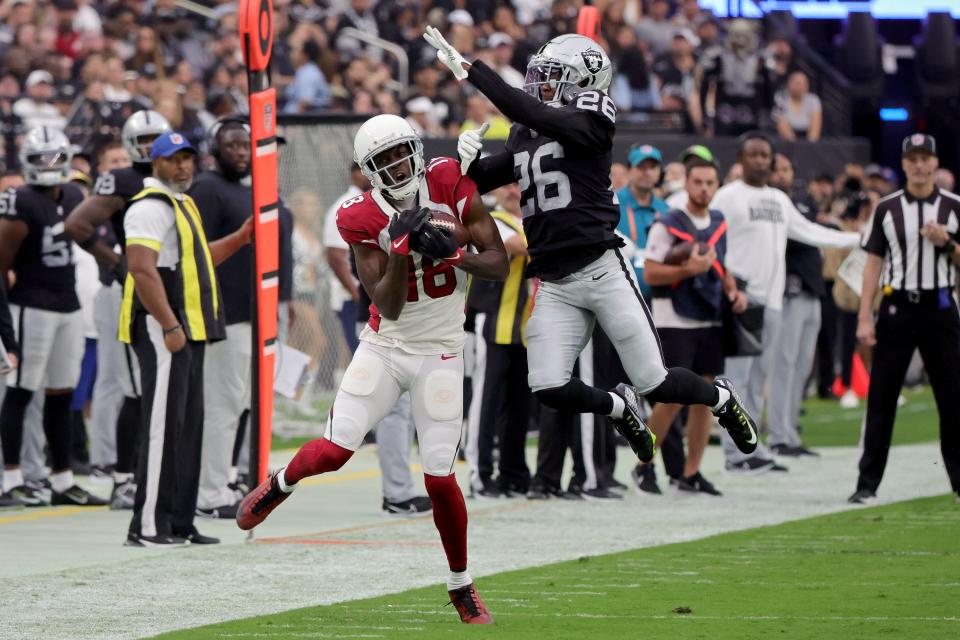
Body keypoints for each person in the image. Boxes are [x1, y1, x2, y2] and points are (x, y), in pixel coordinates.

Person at [439, 31, 761, 468]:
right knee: (549, 386)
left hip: (601, 268)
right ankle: (617, 407)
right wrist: (466, 163)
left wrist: (475, 72)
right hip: (553, 279)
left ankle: (721, 398)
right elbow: (483, 181)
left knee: (655, 381)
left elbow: (527, 107)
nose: (540, 83)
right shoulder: (526, 130)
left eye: (550, 76)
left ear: (581, 81)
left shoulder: (594, 112)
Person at [236, 114, 509, 624]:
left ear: (417, 149)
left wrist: (452, 255)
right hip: (386, 345)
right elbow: (386, 301)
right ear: (367, 170)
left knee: (440, 479)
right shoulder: (358, 214)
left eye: (403, 152)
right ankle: (280, 484)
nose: (398, 165)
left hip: (443, 350)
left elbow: (498, 261)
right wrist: (403, 250)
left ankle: (460, 584)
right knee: (337, 449)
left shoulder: (449, 180)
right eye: (384, 161)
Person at [120, 131, 252, 546]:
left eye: (188, 158)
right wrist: (169, 325)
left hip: (189, 327)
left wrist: (241, 238)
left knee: (188, 427)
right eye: (174, 159)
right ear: (154, 163)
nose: (184, 166)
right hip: (165, 328)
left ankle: (178, 521)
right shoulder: (149, 208)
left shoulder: (182, 202)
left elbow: (198, 259)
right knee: (162, 428)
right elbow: (143, 269)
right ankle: (145, 526)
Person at [710, 132, 860, 473]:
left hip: (774, 300)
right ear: (740, 159)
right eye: (754, 155)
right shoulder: (727, 196)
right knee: (737, 378)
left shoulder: (778, 200)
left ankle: (752, 448)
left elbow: (808, 230)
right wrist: (728, 283)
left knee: (760, 376)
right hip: (743, 299)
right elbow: (710, 238)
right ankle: (736, 455)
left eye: (766, 155)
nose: (761, 161)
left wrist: (856, 238)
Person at [188, 115, 293, 519]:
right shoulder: (208, 188)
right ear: (214, 150)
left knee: (252, 404)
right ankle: (210, 493)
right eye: (231, 145)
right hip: (229, 314)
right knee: (223, 405)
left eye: (245, 145)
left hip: (265, 312)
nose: (240, 152)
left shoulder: (262, 191)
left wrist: (284, 297)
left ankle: (235, 478)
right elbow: (197, 253)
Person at [66, 110, 171, 509]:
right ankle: (123, 479)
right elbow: (77, 225)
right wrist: (117, 261)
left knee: (156, 387)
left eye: (154, 139)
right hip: (128, 290)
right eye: (142, 141)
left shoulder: (175, 178)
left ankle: (148, 471)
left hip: (162, 288)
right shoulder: (124, 179)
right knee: (132, 387)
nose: (149, 149)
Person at [851, 133, 960, 505]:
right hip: (897, 308)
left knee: (952, 399)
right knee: (881, 397)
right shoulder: (887, 207)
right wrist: (865, 315)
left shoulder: (953, 206)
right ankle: (867, 484)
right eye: (912, 158)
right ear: (903, 163)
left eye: (924, 158)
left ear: (934, 163)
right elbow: (873, 264)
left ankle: (958, 481)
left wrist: (947, 243)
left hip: (941, 307)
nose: (918, 164)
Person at [0, 126, 105, 507]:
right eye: (40, 158)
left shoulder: (76, 193)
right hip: (30, 303)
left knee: (62, 394)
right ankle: (10, 479)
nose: (48, 166)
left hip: (68, 304)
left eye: (55, 158)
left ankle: (62, 480)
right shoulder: (19, 200)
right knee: (21, 391)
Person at [643, 157, 748, 496]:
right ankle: (643, 465)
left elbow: (721, 266)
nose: (704, 188)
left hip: (710, 315)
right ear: (686, 184)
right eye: (698, 182)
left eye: (710, 182)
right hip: (674, 317)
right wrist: (689, 270)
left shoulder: (719, 221)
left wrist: (733, 290)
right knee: (672, 396)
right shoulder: (668, 222)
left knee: (708, 397)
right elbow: (650, 273)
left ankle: (691, 473)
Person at [465, 182, 533, 498]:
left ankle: (513, 473)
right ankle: (480, 475)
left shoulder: (530, 220)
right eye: (506, 184)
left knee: (519, 405)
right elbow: (514, 247)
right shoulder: (491, 219)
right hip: (492, 322)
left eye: (517, 183)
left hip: (523, 328)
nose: (512, 190)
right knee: (485, 402)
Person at [766, 153, 824, 456]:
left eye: (788, 169)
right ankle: (778, 436)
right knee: (783, 365)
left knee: (801, 367)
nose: (783, 174)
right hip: (788, 291)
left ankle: (790, 432)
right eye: (778, 170)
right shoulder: (769, 206)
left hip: (813, 290)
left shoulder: (802, 203)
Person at [773, 71, 822, 142]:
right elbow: (781, 123)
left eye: (804, 83)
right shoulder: (780, 97)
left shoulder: (814, 100)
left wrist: (810, 145)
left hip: (808, 141)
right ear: (789, 84)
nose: (801, 86)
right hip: (787, 141)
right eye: (798, 83)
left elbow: (816, 126)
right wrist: (796, 146)